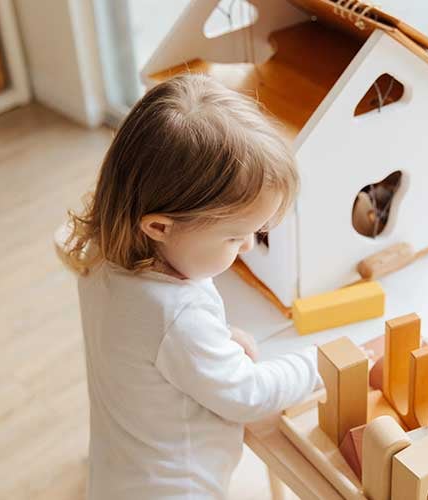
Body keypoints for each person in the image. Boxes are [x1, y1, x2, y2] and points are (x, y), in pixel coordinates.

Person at [60, 73, 319, 499]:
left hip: (118, 477)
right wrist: (319, 364)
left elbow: (143, 345)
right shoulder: (177, 315)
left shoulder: (104, 258)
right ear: (160, 226)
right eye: (235, 237)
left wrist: (216, 339)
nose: (249, 246)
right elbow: (250, 395)